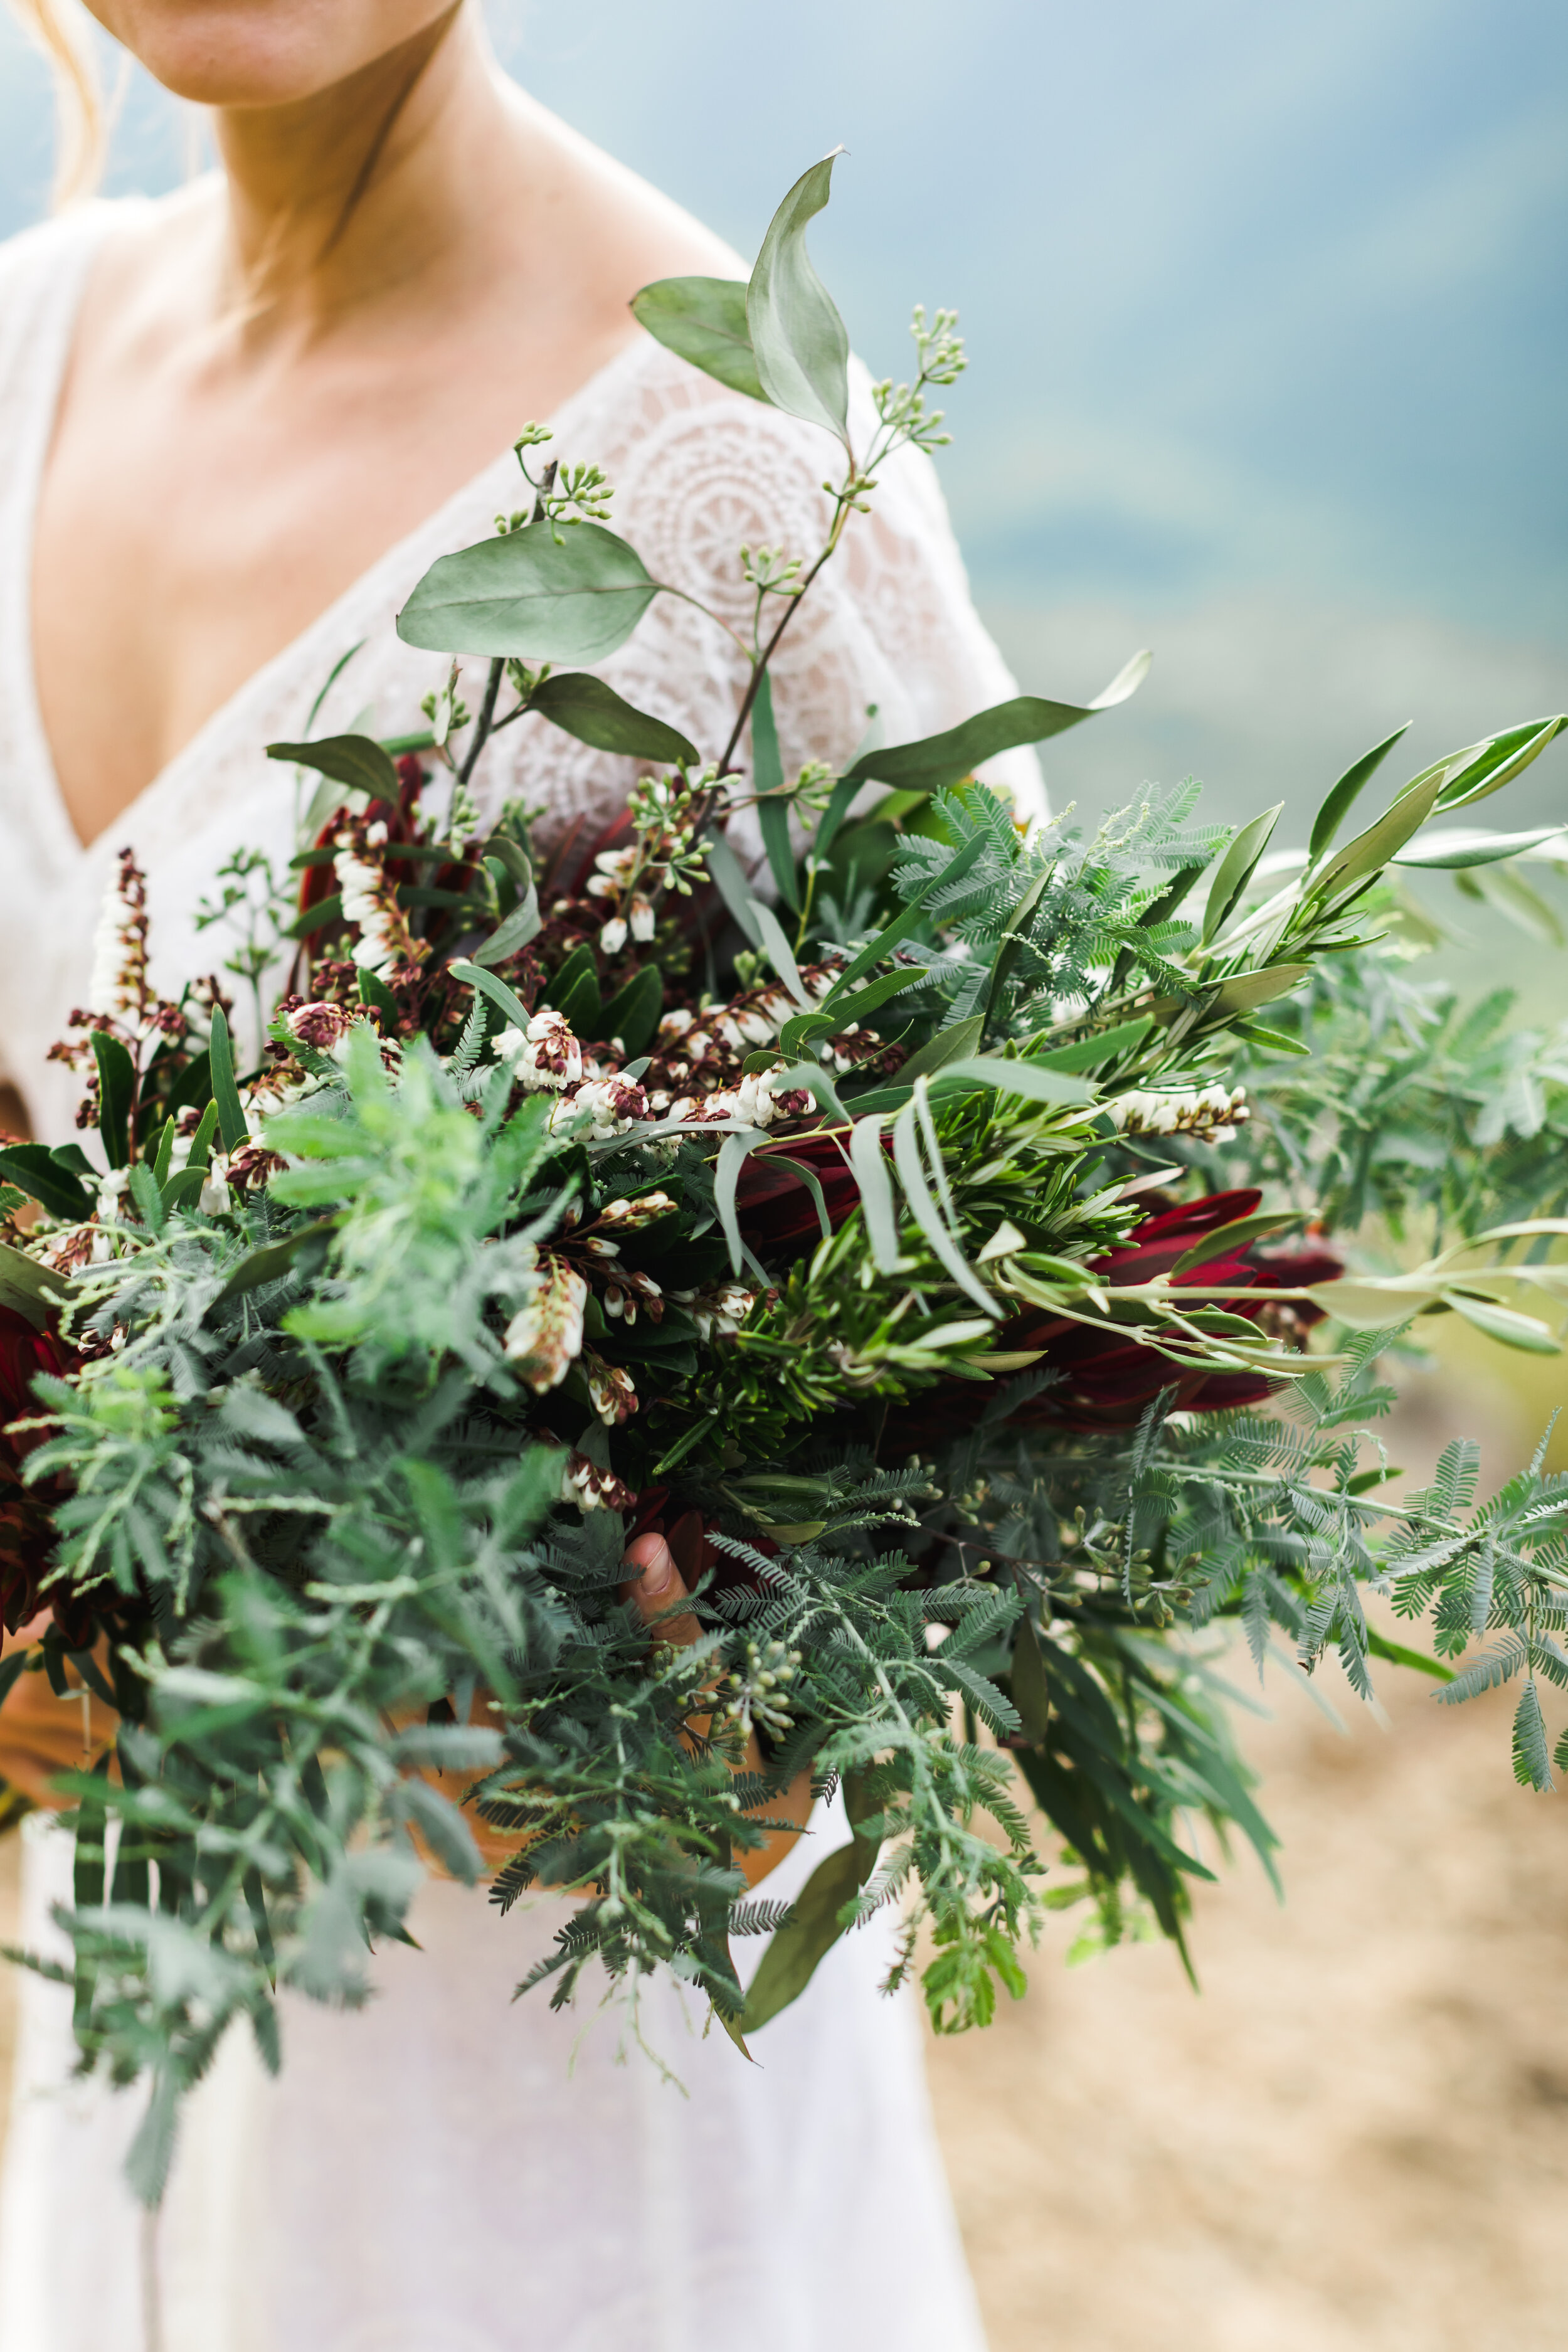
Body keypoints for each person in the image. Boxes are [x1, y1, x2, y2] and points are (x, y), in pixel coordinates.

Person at [0, 5, 1041, 2344]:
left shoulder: (736, 483)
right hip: (148, 1989)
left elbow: (1026, 1309)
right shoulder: (20, 346)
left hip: (566, 2105)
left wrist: (792, 1678)